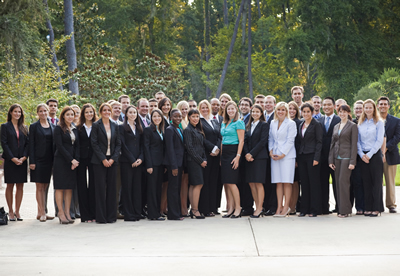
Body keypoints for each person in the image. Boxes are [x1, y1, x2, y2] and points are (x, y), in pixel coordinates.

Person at [91, 103, 121, 223]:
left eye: (109, 110)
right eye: (104, 110)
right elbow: (94, 143)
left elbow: (118, 144)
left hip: (112, 160)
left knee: (112, 189)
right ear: (100, 112)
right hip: (99, 161)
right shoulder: (96, 125)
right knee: (100, 189)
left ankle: (111, 216)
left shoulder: (115, 125)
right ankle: (101, 217)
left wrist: (112, 159)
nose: (107, 112)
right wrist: (103, 159)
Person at [329, 104, 358, 218]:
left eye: (344, 111)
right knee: (337, 183)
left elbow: (354, 145)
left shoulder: (352, 126)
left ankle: (345, 210)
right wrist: (330, 160)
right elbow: (332, 144)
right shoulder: (336, 126)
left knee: (343, 183)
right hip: (337, 158)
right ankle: (341, 209)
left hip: (347, 158)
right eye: (340, 111)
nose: (342, 113)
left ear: (348, 113)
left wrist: (352, 162)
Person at [1, 104, 29, 222]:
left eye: (19, 112)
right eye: (15, 111)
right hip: (10, 161)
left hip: (22, 161)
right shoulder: (5, 126)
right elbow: (4, 143)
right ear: (11, 113)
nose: (17, 114)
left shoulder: (24, 127)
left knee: (20, 186)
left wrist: (24, 158)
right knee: (10, 185)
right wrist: (12, 158)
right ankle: (11, 211)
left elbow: (28, 144)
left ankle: (17, 211)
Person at [357, 99, 385, 217]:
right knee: (366, 182)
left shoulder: (379, 122)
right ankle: (368, 207)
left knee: (376, 182)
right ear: (363, 109)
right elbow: (357, 140)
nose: (368, 110)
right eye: (366, 108)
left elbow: (379, 141)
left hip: (374, 155)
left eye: (370, 107)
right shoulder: (360, 123)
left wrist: (369, 155)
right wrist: (361, 154)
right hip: (362, 156)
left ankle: (376, 208)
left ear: (374, 108)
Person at [269, 102, 297, 217]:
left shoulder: (291, 123)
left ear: (286, 111)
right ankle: (279, 206)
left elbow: (290, 140)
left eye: (283, 110)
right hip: (274, 155)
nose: (280, 112)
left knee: (286, 181)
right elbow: (270, 138)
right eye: (278, 110)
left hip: (287, 156)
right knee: (278, 182)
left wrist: (282, 154)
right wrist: (271, 151)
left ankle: (286, 207)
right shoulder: (273, 122)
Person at [53, 106, 80, 224]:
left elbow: (77, 146)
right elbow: (60, 146)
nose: (70, 116)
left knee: (69, 188)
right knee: (60, 187)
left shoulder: (74, 128)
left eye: (72, 114)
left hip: (73, 163)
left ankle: (68, 212)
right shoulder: (58, 128)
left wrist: (76, 160)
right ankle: (61, 213)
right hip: (61, 161)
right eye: (68, 114)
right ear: (63, 116)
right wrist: (71, 160)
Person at [29, 104, 55, 222]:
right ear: (37, 113)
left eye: (45, 111)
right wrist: (32, 161)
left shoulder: (53, 126)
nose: (43, 113)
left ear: (48, 111)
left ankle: (41, 212)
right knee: (39, 187)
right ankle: (42, 212)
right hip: (38, 161)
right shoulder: (34, 126)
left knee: (45, 187)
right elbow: (31, 145)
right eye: (40, 111)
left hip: (49, 161)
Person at [296, 103, 323, 217]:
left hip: (312, 156)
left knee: (313, 183)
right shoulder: (301, 124)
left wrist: (316, 158)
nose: (306, 114)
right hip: (302, 156)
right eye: (304, 111)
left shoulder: (316, 124)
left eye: (308, 111)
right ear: (301, 112)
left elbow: (319, 142)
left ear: (312, 112)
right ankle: (304, 209)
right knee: (304, 183)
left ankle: (314, 209)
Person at [220, 101, 245, 219]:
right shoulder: (224, 122)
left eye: (232, 109)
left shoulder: (239, 122)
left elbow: (241, 141)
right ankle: (230, 208)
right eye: (228, 109)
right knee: (227, 182)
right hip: (224, 154)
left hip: (233, 153)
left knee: (232, 182)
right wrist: (220, 156)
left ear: (236, 110)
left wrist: (238, 156)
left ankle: (238, 208)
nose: (230, 111)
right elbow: (222, 140)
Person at [243, 104, 268, 218]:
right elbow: (245, 141)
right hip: (249, 158)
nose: (255, 114)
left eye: (257, 112)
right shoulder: (248, 125)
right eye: (253, 112)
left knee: (258, 182)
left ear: (261, 113)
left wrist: (251, 154)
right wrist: (247, 154)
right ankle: (257, 206)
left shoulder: (264, 125)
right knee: (251, 183)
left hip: (259, 158)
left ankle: (259, 208)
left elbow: (263, 142)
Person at [119, 105, 144, 221]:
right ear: (126, 114)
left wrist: (140, 158)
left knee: (137, 188)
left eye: (135, 112)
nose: (133, 114)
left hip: (138, 162)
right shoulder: (122, 127)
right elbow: (123, 145)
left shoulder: (139, 127)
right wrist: (132, 160)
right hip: (126, 162)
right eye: (130, 112)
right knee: (127, 188)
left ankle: (137, 213)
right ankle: (129, 214)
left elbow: (143, 145)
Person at [318, 96, 340, 214]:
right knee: (323, 183)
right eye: (324, 105)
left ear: (334, 106)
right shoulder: (319, 121)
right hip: (321, 158)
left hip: (335, 157)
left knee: (337, 183)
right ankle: (324, 208)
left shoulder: (339, 120)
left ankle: (339, 206)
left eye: (329, 105)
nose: (326, 107)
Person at [377, 96, 400, 213]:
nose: (383, 106)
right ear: (377, 106)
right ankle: (378, 204)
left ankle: (391, 205)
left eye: (385, 104)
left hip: (390, 154)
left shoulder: (396, 121)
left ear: (388, 106)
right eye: (381, 104)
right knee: (377, 181)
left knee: (390, 181)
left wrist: (385, 147)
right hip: (375, 155)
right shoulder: (374, 120)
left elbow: (397, 137)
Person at [198, 100, 221, 216]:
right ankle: (205, 209)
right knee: (205, 181)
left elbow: (219, 135)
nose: (205, 109)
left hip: (216, 155)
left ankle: (213, 207)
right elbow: (201, 137)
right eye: (203, 107)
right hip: (206, 154)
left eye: (207, 107)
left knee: (213, 181)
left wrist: (217, 148)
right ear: (199, 109)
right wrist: (212, 148)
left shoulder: (214, 120)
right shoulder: (199, 121)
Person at [184, 109, 207, 219]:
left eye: (197, 116)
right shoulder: (188, 130)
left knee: (195, 184)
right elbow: (190, 148)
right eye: (193, 116)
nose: (195, 119)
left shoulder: (197, 129)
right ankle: (195, 210)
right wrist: (200, 161)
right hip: (193, 161)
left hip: (199, 160)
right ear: (189, 117)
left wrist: (204, 158)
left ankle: (193, 209)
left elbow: (201, 146)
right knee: (197, 184)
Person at [76, 103, 98, 223]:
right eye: (86, 112)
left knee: (94, 186)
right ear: (83, 114)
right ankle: (85, 215)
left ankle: (94, 213)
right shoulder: (78, 128)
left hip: (94, 159)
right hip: (81, 159)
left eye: (91, 112)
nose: (89, 114)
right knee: (82, 186)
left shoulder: (98, 126)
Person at [163, 109, 185, 220]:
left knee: (177, 189)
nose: (178, 118)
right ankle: (173, 214)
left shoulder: (179, 129)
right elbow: (170, 149)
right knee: (173, 189)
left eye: (180, 116)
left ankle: (177, 212)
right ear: (171, 117)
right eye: (175, 116)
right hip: (174, 165)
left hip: (180, 164)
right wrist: (174, 166)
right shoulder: (169, 129)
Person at [144, 109, 166, 221]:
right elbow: (146, 148)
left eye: (158, 116)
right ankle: (152, 214)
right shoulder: (148, 130)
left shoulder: (161, 129)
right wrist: (149, 165)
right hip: (152, 164)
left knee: (158, 189)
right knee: (152, 189)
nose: (156, 118)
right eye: (154, 116)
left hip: (160, 163)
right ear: (151, 118)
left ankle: (157, 212)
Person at [263, 95, 277, 216]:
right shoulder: (260, 115)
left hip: (274, 154)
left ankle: (273, 206)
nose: (267, 104)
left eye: (270, 102)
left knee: (273, 182)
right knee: (264, 181)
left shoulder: (277, 116)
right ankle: (264, 205)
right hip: (262, 155)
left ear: (274, 104)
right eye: (265, 102)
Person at [158, 97, 172, 214]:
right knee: (162, 185)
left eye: (168, 105)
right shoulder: (159, 119)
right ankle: (161, 209)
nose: (166, 107)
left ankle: (165, 207)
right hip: (162, 157)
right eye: (164, 105)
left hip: (170, 157)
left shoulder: (171, 118)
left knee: (167, 184)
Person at [351, 100, 365, 214]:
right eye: (356, 108)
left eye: (360, 108)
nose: (358, 110)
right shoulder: (351, 122)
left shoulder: (368, 122)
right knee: (355, 182)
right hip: (352, 156)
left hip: (365, 156)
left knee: (363, 182)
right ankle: (357, 207)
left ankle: (363, 206)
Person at [288, 101, 302, 214]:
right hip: (284, 157)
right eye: (289, 108)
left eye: (294, 109)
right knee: (288, 182)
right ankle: (288, 205)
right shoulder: (284, 122)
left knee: (295, 181)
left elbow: (299, 142)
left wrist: (297, 159)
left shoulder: (299, 123)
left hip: (295, 156)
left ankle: (293, 207)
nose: (291, 110)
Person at [176, 100, 190, 216]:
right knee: (180, 183)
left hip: (189, 156)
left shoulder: (189, 121)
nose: (184, 111)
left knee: (185, 182)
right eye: (182, 109)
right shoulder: (177, 122)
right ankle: (181, 208)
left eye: (186, 109)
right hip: (180, 156)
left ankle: (185, 207)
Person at [69, 104, 81, 218]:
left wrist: (77, 160)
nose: (75, 115)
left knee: (78, 187)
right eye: (73, 113)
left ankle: (77, 210)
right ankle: (69, 211)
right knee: (68, 187)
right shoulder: (65, 126)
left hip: (78, 161)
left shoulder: (79, 127)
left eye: (77, 113)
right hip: (68, 161)